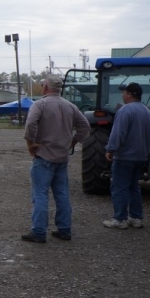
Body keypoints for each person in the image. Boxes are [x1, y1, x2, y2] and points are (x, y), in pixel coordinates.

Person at [21, 74, 91, 243]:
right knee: (62, 194)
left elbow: (30, 123)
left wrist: (31, 144)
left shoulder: (40, 105)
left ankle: (38, 231)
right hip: (62, 157)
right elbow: (85, 126)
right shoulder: (71, 106)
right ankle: (64, 229)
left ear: (45, 87)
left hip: (44, 155)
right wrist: (72, 142)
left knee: (40, 195)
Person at [102, 82, 150, 229]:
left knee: (119, 187)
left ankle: (120, 219)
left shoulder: (125, 111)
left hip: (125, 156)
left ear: (129, 94)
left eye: (124, 92)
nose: (123, 95)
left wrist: (111, 149)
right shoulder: (146, 111)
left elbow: (118, 133)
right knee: (133, 187)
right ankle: (136, 218)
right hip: (141, 155)